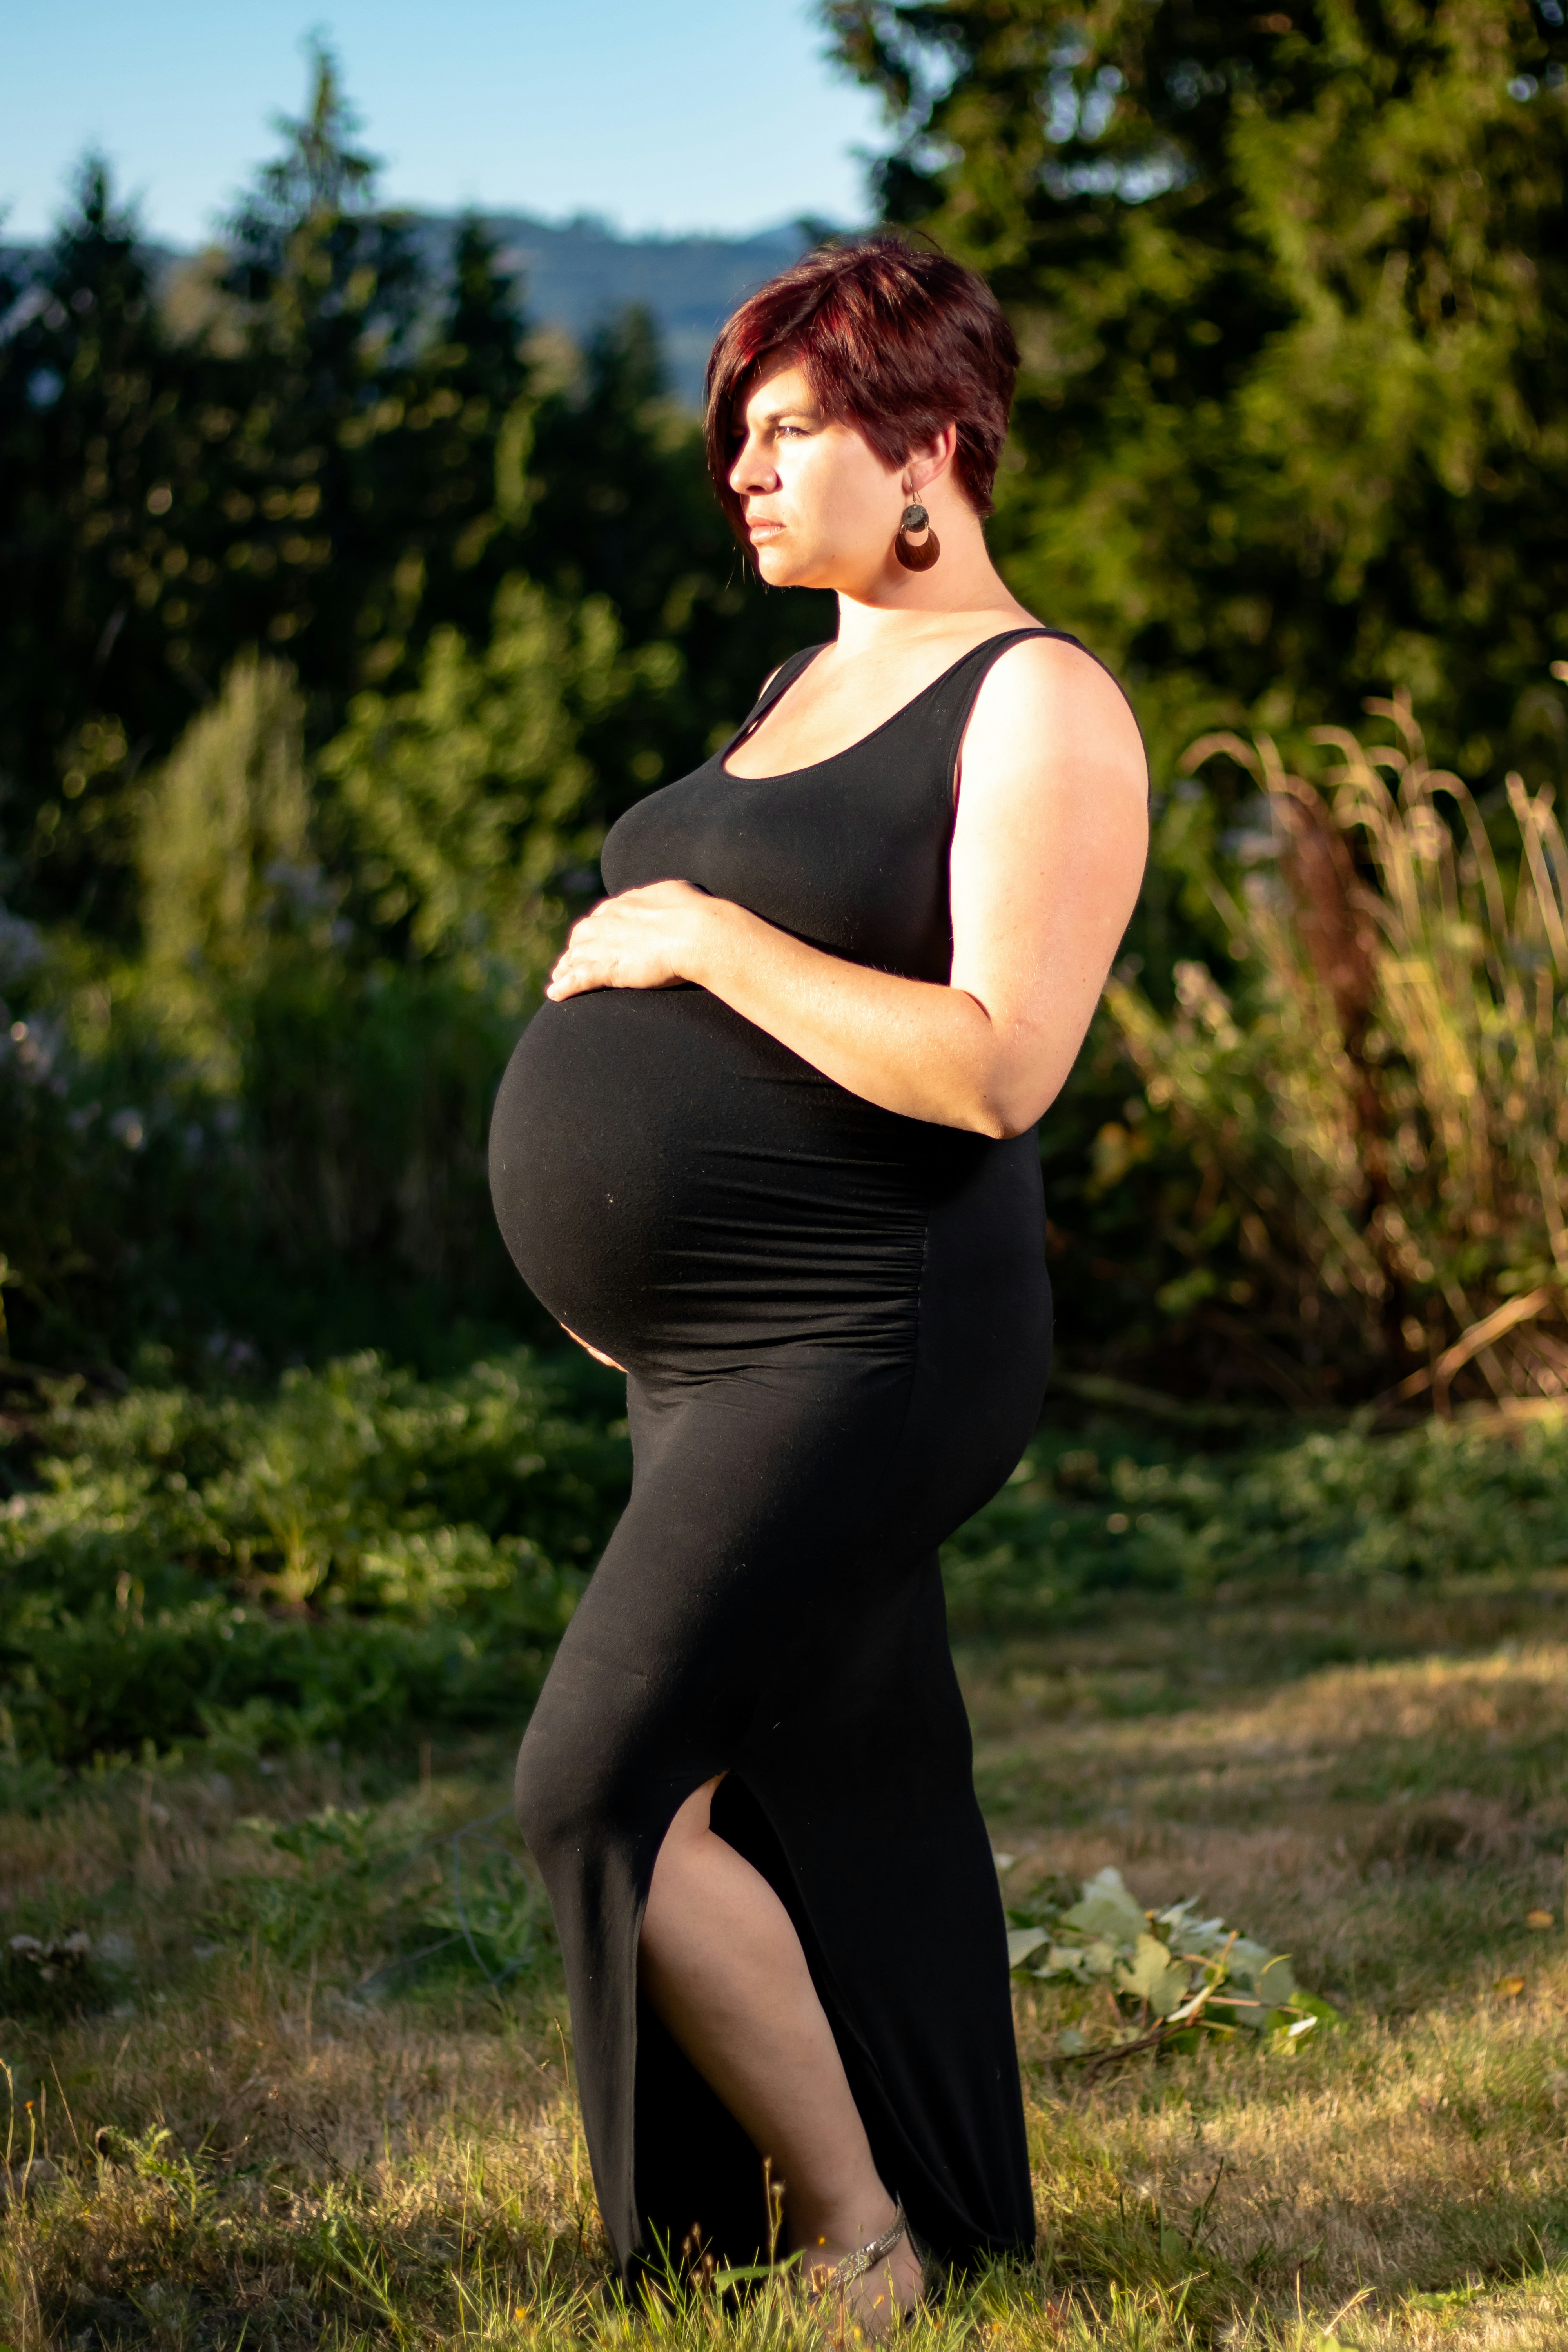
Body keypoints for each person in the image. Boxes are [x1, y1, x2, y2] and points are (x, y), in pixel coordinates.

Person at [488, 233, 1147, 2336]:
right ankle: (929, 2197)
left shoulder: (1040, 699)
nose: (745, 477)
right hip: (720, 1346)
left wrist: (698, 940)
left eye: (789, 433)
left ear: (929, 439)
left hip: (875, 1332)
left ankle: (863, 2234)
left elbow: (992, 1059)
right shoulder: (799, 686)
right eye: (736, 442)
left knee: (592, 1786)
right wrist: (620, 1266)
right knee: (844, 1773)